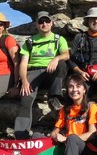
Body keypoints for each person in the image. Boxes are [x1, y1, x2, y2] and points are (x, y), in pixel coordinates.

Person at [14, 11, 70, 139]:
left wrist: (55, 59)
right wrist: (24, 81)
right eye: (41, 22)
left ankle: (54, 97)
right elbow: (23, 63)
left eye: (46, 21)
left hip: (51, 71)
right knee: (26, 98)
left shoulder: (58, 39)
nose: (44, 24)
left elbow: (66, 55)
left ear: (51, 23)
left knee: (61, 63)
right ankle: (21, 136)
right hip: (33, 72)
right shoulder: (30, 41)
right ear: (37, 25)